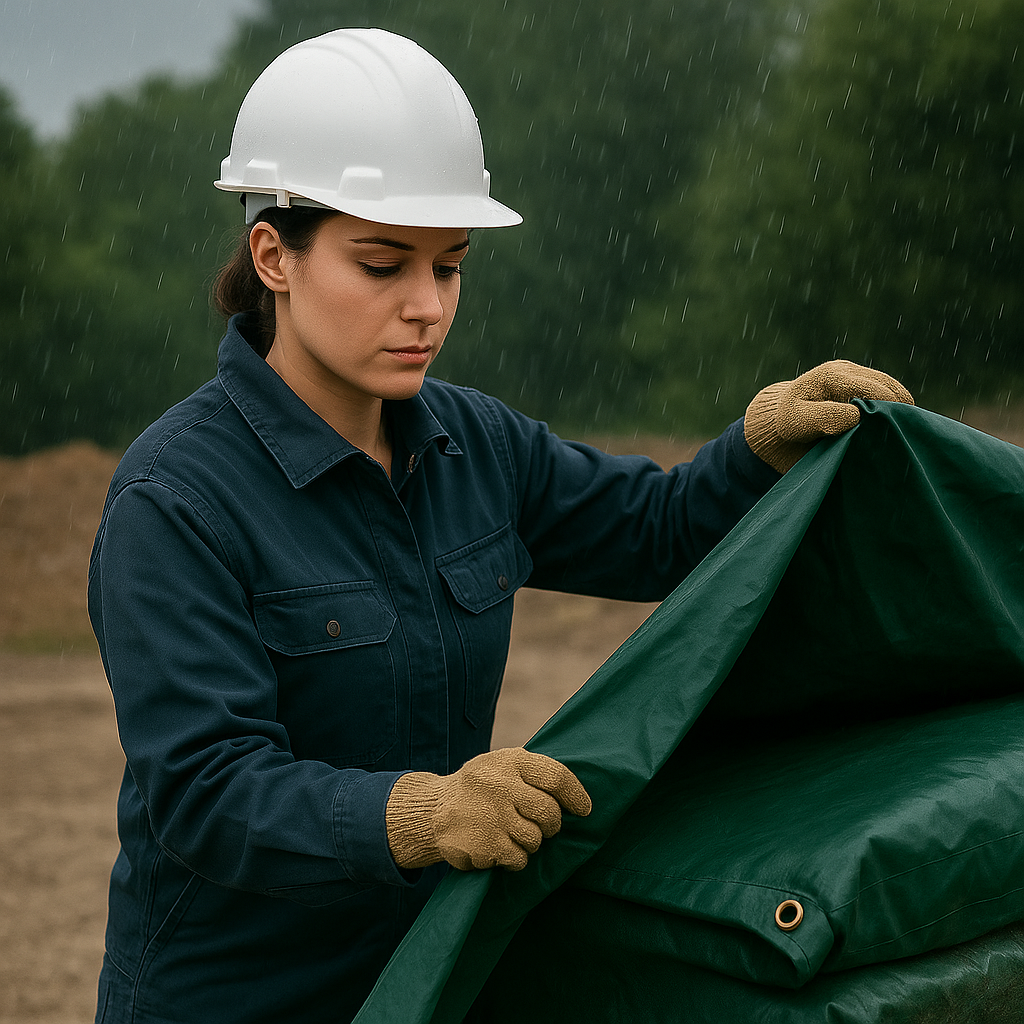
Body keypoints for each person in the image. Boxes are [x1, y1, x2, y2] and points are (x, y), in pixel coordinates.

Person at [87, 27, 914, 1024]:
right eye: (384, 263)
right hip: (230, 1001)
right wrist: (420, 813)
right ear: (274, 255)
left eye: (450, 265)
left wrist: (756, 446)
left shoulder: (477, 443)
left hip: (427, 983)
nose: (426, 306)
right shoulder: (177, 499)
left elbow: (656, 531)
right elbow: (207, 795)